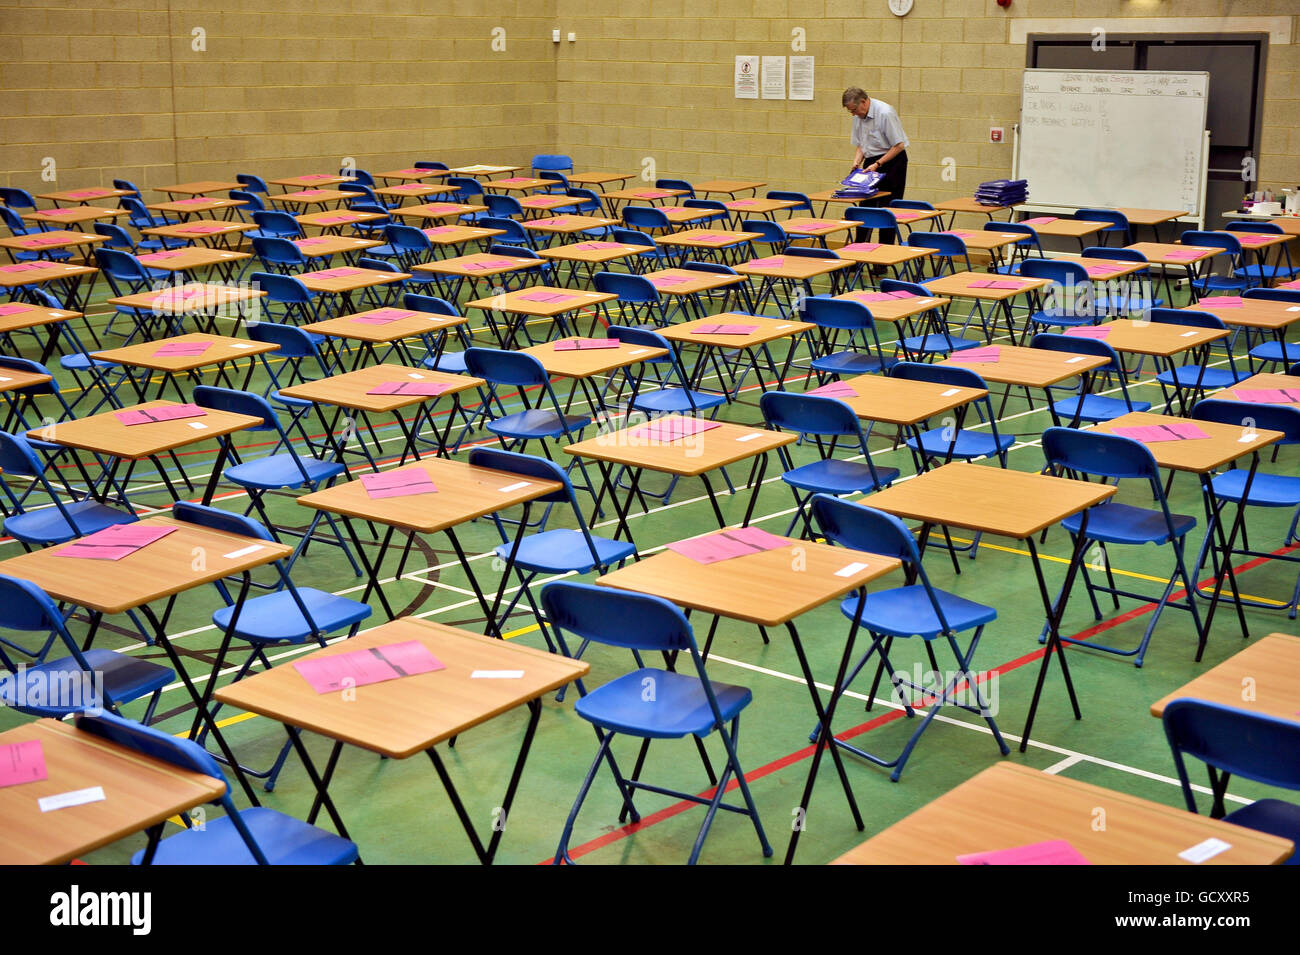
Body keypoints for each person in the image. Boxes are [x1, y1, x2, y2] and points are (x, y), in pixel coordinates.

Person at [842, 87, 909, 249]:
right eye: (850, 111)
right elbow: (860, 145)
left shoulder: (885, 113)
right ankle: (858, 252)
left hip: (892, 162)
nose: (853, 114)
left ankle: (883, 257)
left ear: (864, 102)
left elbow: (899, 145)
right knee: (865, 209)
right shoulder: (858, 116)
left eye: (854, 110)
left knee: (887, 210)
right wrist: (856, 163)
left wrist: (879, 164)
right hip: (871, 162)